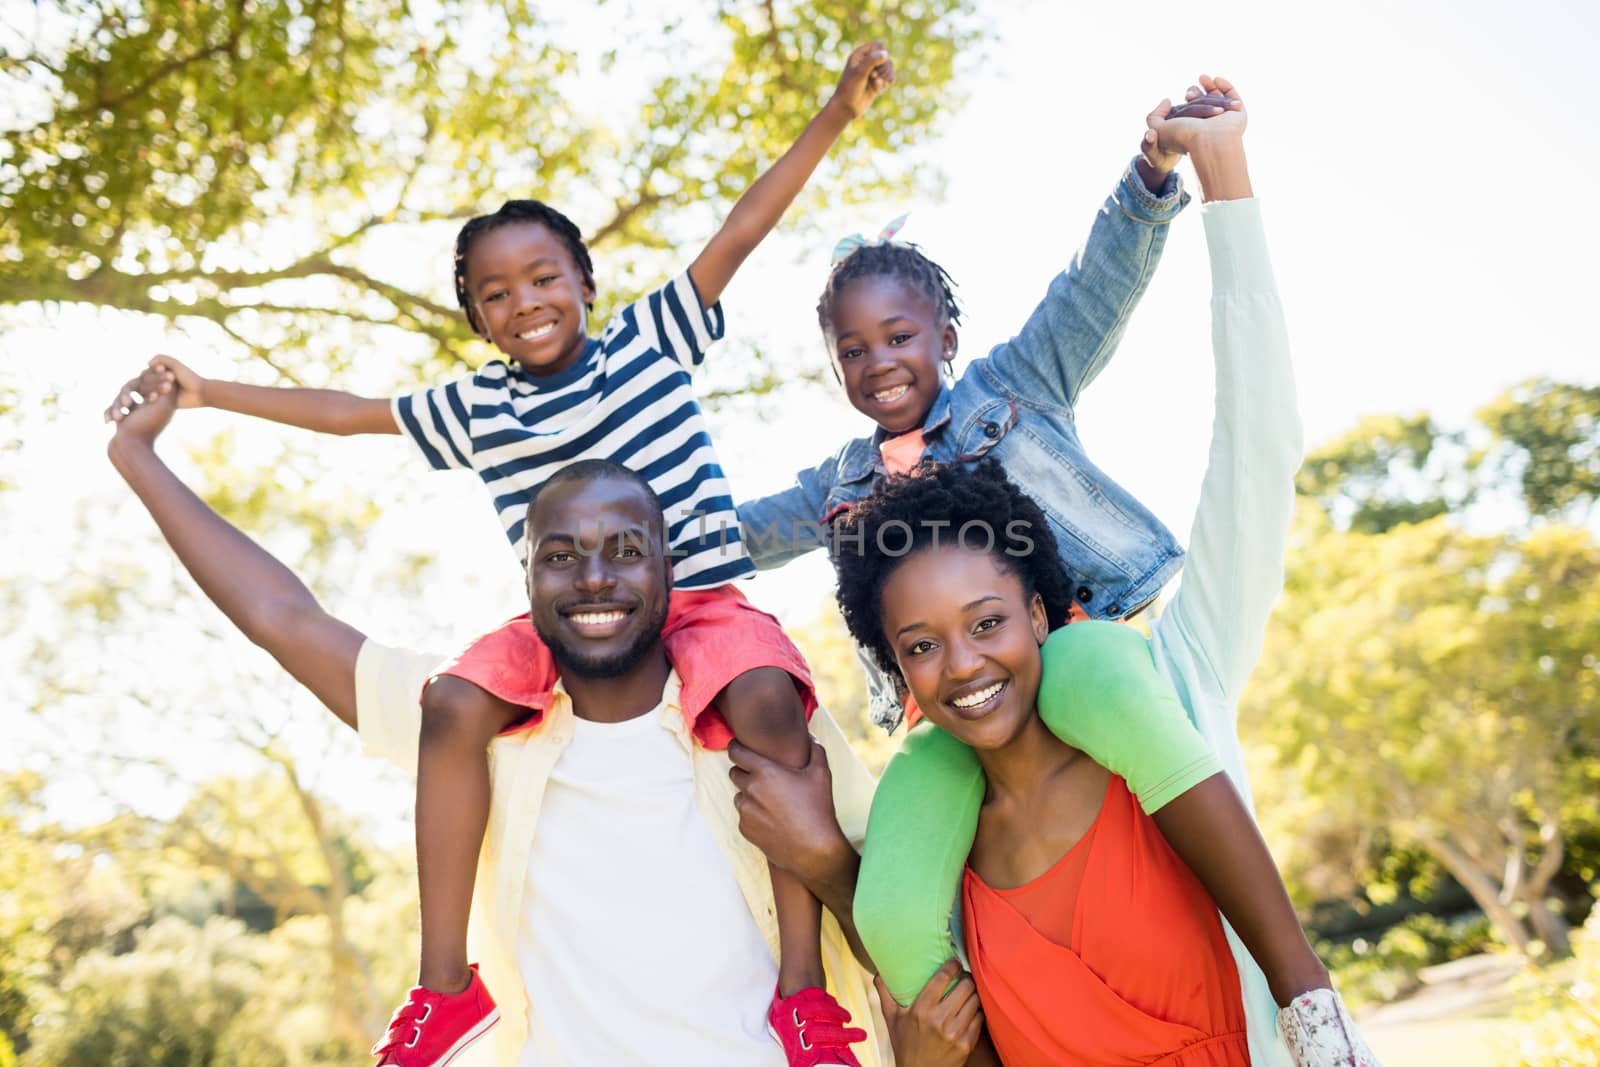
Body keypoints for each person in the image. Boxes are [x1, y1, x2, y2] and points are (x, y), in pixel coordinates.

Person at [114, 43, 896, 1067]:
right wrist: (210, 392)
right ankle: (445, 985)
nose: (524, 301)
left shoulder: (651, 340)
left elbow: (741, 228)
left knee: (761, 701)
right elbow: (348, 415)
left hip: (708, 602)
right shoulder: (476, 408)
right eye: (494, 293)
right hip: (554, 635)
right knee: (449, 703)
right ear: (475, 317)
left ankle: (801, 992)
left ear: (584, 280)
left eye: (542, 277)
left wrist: (837, 111)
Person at [729, 80, 1377, 1067]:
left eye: (899, 337)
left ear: (945, 336)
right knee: (893, 905)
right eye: (852, 350)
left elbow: (1093, 290)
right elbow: (730, 536)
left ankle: (1307, 1001)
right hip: (931, 715)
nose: (879, 362)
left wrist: (1155, 172)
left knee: (1103, 680)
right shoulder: (838, 483)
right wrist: (619, 521)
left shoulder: (1012, 386)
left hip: (1072, 634)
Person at [103, 391, 891, 1067]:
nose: (593, 577)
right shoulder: (481, 733)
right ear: (526, 579)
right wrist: (135, 455)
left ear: (666, 572)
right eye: (561, 556)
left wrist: (822, 856)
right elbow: (282, 617)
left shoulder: (763, 710)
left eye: (626, 551)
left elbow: (907, 944)